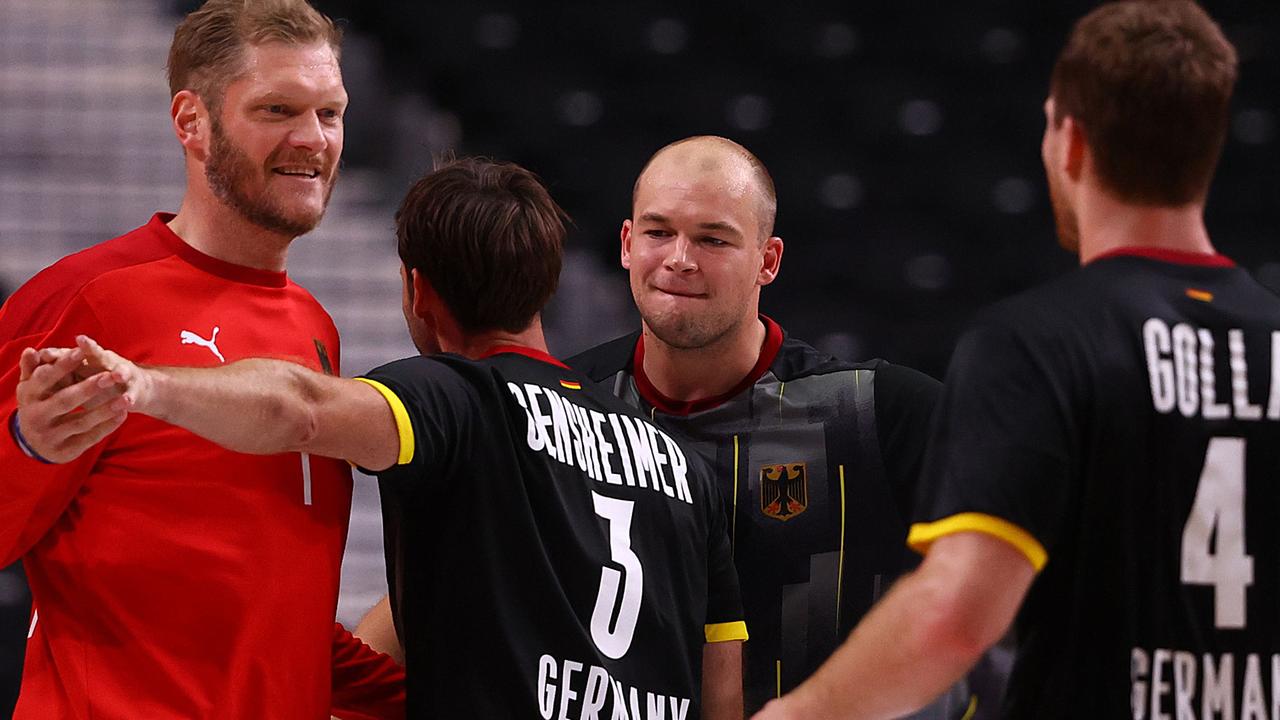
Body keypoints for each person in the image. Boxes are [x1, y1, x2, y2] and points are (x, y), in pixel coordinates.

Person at [57, 157, 749, 718]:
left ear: (418, 290)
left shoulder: (461, 401)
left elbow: (300, 408)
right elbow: (722, 700)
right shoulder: (686, 468)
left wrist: (144, 385)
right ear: (545, 285)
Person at [755, 2, 1263, 718]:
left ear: (1072, 143)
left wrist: (793, 715)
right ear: (1209, 147)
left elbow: (955, 616)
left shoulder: (1038, 343)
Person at [0, 1, 401, 717]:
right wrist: (30, 444)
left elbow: (280, 624)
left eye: (330, 114)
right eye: (278, 109)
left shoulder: (315, 327)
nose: (312, 139)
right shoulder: (85, 299)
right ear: (191, 121)